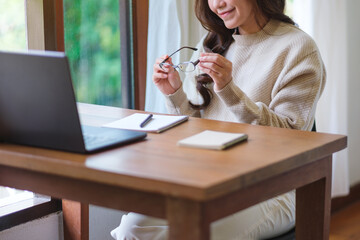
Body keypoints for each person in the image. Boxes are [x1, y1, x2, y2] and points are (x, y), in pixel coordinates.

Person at [111, 0, 326, 239]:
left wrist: (228, 89)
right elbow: (195, 128)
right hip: (209, 179)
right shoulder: (212, 43)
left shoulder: (298, 48)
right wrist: (174, 93)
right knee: (130, 228)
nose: (217, 4)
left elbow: (288, 140)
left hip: (274, 188)